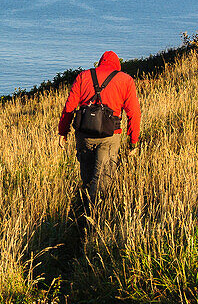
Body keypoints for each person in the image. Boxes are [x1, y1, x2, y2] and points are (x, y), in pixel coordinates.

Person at [56, 50, 140, 235]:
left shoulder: (83, 76)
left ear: (100, 62)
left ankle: (82, 220)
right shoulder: (125, 80)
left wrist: (63, 132)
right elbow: (134, 113)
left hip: (84, 136)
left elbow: (69, 108)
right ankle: (92, 228)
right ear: (117, 65)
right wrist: (133, 143)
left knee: (87, 181)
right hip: (110, 138)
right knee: (101, 182)